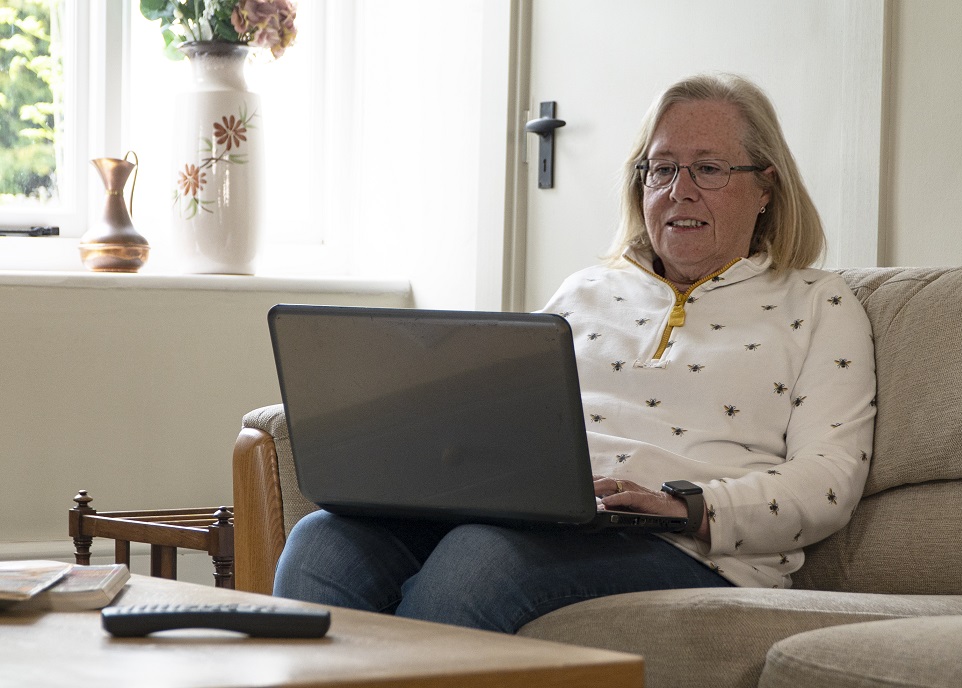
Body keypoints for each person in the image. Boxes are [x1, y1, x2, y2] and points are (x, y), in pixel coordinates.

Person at [273, 73, 876, 631]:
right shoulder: (585, 290)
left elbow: (829, 480)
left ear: (766, 186)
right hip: (528, 514)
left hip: (679, 543)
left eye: (708, 169)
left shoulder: (818, 303)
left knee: (476, 565)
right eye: (661, 169)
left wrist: (683, 507)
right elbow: (506, 420)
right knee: (323, 543)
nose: (679, 192)